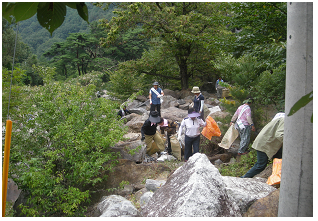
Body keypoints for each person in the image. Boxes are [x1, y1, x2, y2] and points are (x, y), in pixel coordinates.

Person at [241, 113, 285, 178]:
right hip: (264, 143)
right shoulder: (284, 120)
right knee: (260, 165)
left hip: (267, 142)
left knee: (279, 160)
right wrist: (290, 145)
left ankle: (276, 178)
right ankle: (243, 179)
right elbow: (279, 134)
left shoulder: (281, 118)